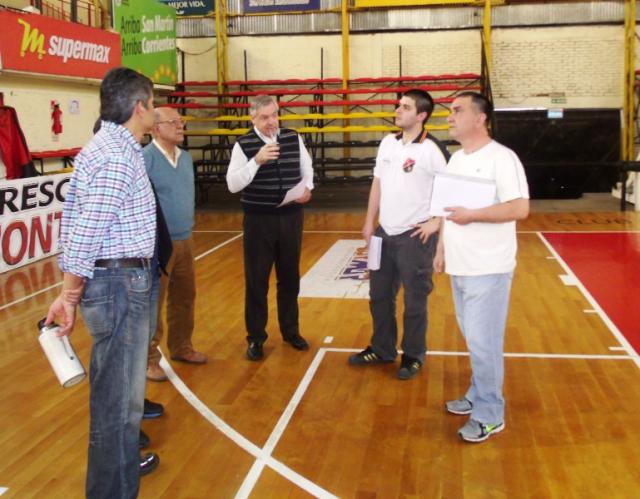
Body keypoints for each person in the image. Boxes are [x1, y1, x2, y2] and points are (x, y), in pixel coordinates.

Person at [45, 67, 159, 498]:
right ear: (138, 107)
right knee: (118, 407)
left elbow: (75, 222)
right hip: (117, 283)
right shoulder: (115, 155)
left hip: (117, 282)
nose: (156, 111)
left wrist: (70, 290)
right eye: (152, 102)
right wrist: (69, 294)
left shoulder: (110, 147)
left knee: (120, 405)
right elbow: (87, 230)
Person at [434, 91, 529, 443]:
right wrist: (442, 248)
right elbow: (446, 209)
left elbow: (520, 208)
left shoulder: (502, 159)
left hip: (489, 268)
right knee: (475, 340)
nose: (449, 116)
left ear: (480, 118)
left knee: (483, 342)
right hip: (461, 266)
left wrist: (473, 215)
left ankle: (490, 413)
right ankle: (476, 394)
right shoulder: (455, 160)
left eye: (457, 111)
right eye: (449, 111)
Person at [349, 89, 447, 380]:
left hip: (414, 237)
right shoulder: (387, 144)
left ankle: (413, 355)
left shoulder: (432, 149)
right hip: (383, 234)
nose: (397, 110)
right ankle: (382, 349)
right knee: (378, 296)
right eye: (398, 105)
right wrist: (369, 222)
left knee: (415, 302)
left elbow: (451, 188)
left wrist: (437, 221)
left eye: (405, 107)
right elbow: (377, 183)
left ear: (421, 116)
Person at [226, 94, 313, 361]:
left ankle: (290, 330)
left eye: (274, 115)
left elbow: (306, 167)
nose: (271, 121)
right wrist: (257, 161)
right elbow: (233, 184)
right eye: (264, 117)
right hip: (258, 221)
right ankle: (255, 338)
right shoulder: (243, 145)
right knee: (257, 281)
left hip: (291, 218)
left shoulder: (292, 136)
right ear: (252, 117)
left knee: (289, 278)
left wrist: (308, 188)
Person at [144, 106, 207, 382]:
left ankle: (182, 347)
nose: (180, 126)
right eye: (174, 122)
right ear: (156, 128)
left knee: (184, 296)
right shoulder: (146, 159)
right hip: (158, 243)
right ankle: (148, 360)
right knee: (153, 302)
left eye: (181, 122)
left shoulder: (185, 158)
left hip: (186, 238)